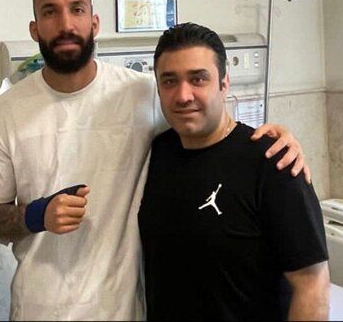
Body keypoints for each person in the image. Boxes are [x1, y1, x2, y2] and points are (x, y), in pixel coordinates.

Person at [0, 0, 310, 320]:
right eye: (50, 12)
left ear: (94, 23)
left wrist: (272, 141)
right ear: (35, 29)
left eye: (77, 9)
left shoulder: (143, 93)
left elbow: (209, 127)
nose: (66, 24)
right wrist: (37, 215)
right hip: (39, 308)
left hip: (124, 310)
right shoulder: (5, 112)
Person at [139, 23, 329, 320]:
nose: (183, 95)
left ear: (224, 83)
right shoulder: (156, 153)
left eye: (198, 79)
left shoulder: (272, 162)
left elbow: (312, 284)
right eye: (170, 81)